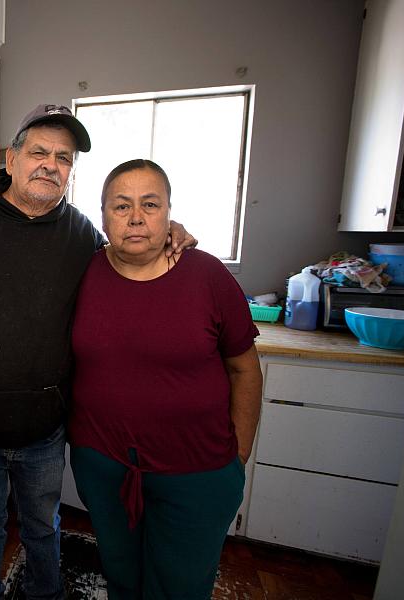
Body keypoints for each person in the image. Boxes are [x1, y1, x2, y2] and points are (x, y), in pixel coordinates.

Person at [0, 105, 196, 600]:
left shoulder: (83, 235)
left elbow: (129, 253)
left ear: (70, 173)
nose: (50, 163)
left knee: (43, 526)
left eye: (63, 157)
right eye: (38, 151)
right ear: (11, 159)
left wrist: (169, 229)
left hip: (44, 430)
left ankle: (46, 595)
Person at [68, 159, 263, 599]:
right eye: (121, 206)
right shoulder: (83, 272)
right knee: (121, 577)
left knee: (179, 589)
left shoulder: (208, 276)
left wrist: (238, 457)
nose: (136, 217)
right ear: (102, 217)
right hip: (104, 466)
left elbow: (244, 368)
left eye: (150, 205)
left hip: (197, 471)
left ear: (169, 213)